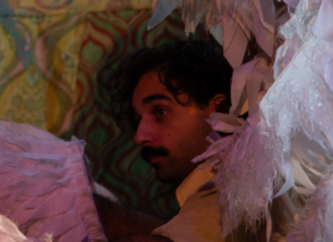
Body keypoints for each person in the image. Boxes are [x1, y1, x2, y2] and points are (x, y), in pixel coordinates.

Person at [93, 39, 243, 242]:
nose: (140, 137)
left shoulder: (236, 199)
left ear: (220, 109)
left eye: (160, 111)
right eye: (138, 120)